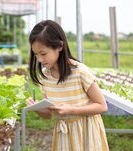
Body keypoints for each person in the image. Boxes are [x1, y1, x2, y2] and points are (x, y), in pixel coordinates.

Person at [26, 20, 109, 151]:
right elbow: (49, 115)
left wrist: (72, 110)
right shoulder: (46, 76)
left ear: (59, 46)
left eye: (43, 53)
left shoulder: (80, 72)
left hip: (86, 133)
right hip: (63, 135)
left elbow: (102, 106)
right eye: (36, 54)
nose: (40, 59)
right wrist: (37, 108)